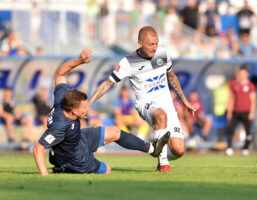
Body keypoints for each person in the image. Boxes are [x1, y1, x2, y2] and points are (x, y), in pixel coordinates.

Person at [33, 49, 170, 176]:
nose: (88, 108)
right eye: (84, 108)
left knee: (115, 132)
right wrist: (45, 176)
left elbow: (59, 73)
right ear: (74, 111)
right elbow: (38, 149)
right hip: (76, 157)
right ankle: (63, 168)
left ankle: (153, 149)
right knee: (107, 170)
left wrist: (79, 61)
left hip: (77, 138)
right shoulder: (60, 126)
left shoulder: (61, 100)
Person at [89, 26, 196, 173]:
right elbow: (108, 83)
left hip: (167, 104)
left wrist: (184, 100)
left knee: (178, 150)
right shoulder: (128, 62)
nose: (154, 48)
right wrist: (89, 103)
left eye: (156, 43)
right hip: (146, 104)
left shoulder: (162, 53)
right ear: (140, 43)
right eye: (151, 44)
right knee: (160, 115)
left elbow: (172, 77)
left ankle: (159, 153)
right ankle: (163, 165)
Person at [226, 66, 256, 156]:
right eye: (240, 74)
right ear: (238, 74)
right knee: (231, 129)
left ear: (247, 74)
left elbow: (253, 100)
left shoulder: (250, 86)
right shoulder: (234, 84)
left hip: (246, 112)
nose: (242, 75)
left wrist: (252, 112)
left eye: (244, 74)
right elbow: (231, 98)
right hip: (235, 111)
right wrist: (229, 111)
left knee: (248, 131)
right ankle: (229, 148)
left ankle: (246, 148)